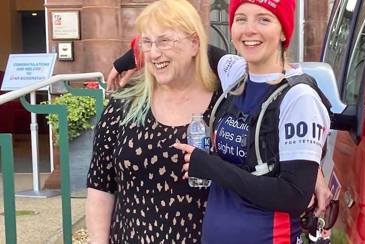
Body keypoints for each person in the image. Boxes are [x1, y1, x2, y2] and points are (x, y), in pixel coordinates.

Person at [172, 0, 331, 243]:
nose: (249, 29)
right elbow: (196, 47)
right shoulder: (236, 73)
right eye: (241, 18)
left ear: (283, 32)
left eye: (264, 19)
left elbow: (294, 195)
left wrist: (211, 167)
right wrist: (126, 61)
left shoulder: (299, 97)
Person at [85, 0, 220, 242]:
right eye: (147, 43)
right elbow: (100, 186)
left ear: (194, 44)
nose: (154, 53)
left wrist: (312, 170)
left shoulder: (225, 105)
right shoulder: (123, 105)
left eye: (165, 41)